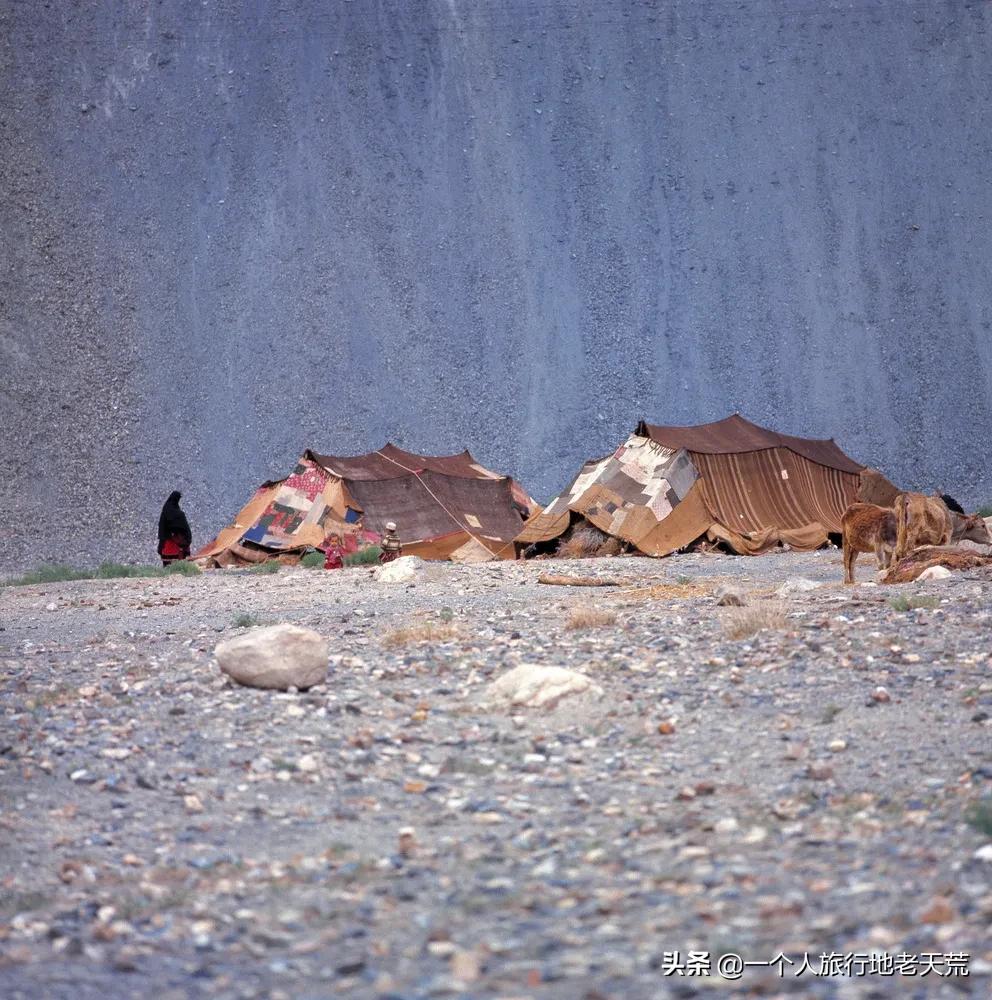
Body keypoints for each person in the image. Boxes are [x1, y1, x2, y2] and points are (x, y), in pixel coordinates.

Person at [158, 491, 192, 565]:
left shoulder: (165, 511)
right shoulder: (180, 514)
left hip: (167, 542)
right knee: (178, 563)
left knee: (167, 564)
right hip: (177, 544)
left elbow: (161, 529)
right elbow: (185, 529)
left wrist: (161, 544)